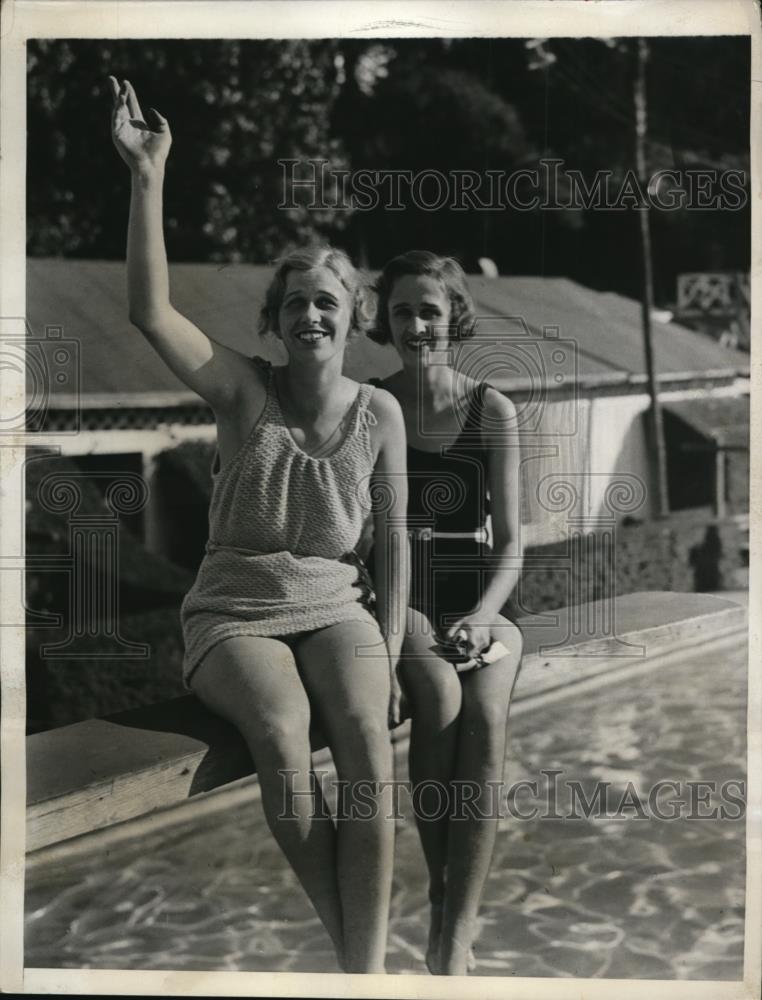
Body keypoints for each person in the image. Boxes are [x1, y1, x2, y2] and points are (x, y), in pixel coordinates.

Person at [108, 77, 408, 974]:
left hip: (337, 605)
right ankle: (364, 969)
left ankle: (368, 969)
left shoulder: (380, 415)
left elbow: (392, 545)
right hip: (236, 610)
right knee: (282, 738)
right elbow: (149, 312)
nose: (310, 315)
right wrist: (147, 175)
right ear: (273, 324)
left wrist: (387, 649)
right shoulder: (245, 390)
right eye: (293, 305)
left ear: (354, 313)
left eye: (327, 300)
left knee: (365, 745)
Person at [368, 250, 524, 976]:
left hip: (484, 597)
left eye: (429, 310)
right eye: (402, 311)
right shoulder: (372, 405)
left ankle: (458, 930)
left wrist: (489, 614)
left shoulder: (491, 409)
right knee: (439, 700)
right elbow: (365, 532)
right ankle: (439, 895)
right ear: (386, 320)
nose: (416, 325)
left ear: (453, 316)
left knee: (486, 717)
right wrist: (397, 619)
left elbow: (516, 541)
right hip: (405, 595)